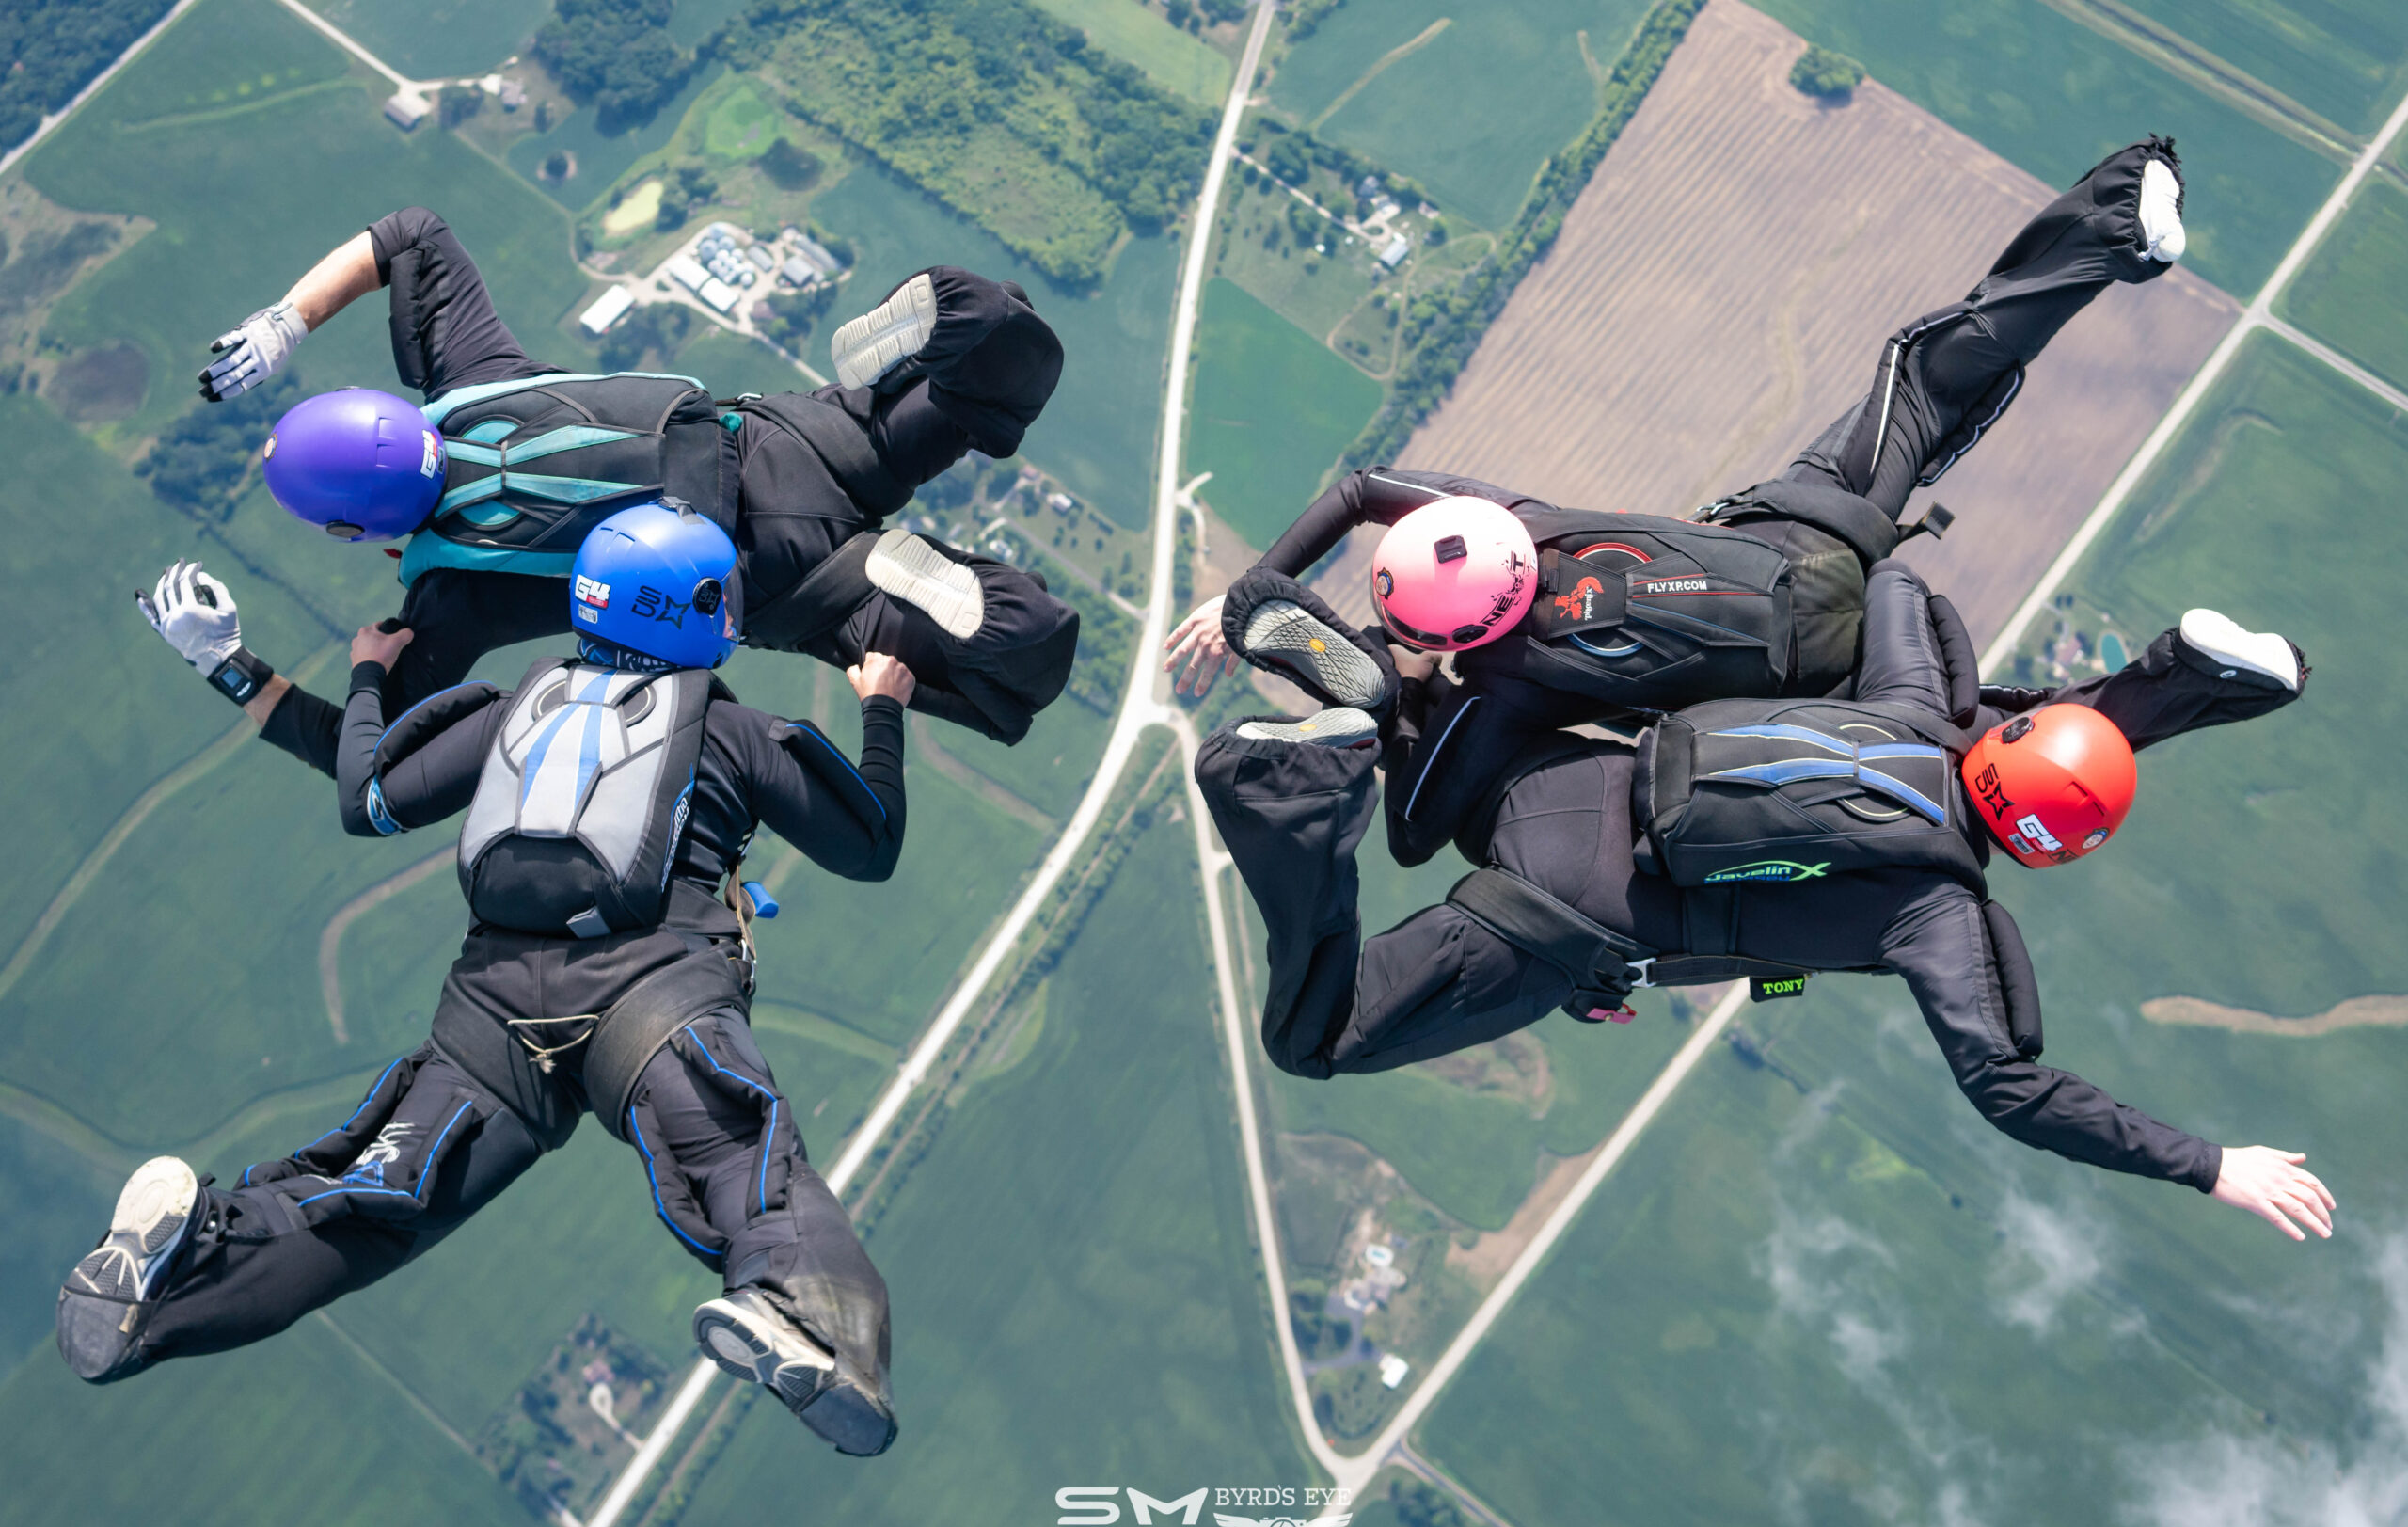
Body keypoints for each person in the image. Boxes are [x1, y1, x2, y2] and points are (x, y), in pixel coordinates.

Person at [66, 504, 912, 1455]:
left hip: (491, 1007)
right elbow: (868, 837)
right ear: (698, 611)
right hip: (649, 988)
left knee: (374, 1206)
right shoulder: (730, 729)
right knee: (742, 1166)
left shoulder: (518, 705)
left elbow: (367, 793)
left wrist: (277, 669)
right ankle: (806, 1314)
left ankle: (176, 1279)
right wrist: (881, 702)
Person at [1194, 558, 2337, 1241]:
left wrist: (1990, 705)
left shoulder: (1915, 707)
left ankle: (1375, 703)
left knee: (1436, 790)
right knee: (1318, 1037)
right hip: (1560, 921)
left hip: (1555, 774)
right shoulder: (1940, 917)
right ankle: (1293, 793)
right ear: (2048, 851)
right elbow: (2010, 1089)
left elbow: (1899, 586)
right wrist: (2208, 1164)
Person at [1168, 137, 2192, 855]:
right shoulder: (1517, 524)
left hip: (1817, 676)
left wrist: (1395, 701)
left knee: (1980, 758)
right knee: (1929, 374)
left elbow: (1414, 831)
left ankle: (2193, 684)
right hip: (1802, 532)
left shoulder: (1507, 685)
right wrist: (1250, 589)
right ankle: (2117, 215)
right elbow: (1359, 491)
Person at [171, 206, 1078, 772]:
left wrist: (227, 665)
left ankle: (991, 615)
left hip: (786, 580)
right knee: (1001, 352)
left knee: (1023, 660)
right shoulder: (472, 376)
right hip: (800, 441)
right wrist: (287, 320)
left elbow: (360, 759)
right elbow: (410, 234)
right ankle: (970, 321)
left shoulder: (451, 600)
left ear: (348, 531)